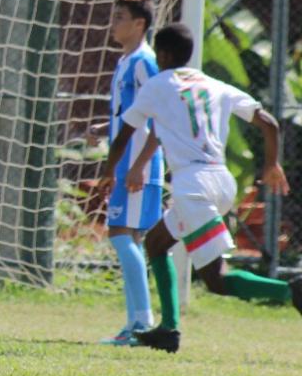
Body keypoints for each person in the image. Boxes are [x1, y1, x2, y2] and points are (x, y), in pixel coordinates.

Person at [97, 23, 300, 353]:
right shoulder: (215, 84)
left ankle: (290, 290)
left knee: (217, 280)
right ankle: (167, 329)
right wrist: (271, 164)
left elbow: (123, 136)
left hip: (192, 187)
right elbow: (269, 123)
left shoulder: (157, 85)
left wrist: (109, 172)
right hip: (221, 181)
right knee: (157, 243)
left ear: (163, 55)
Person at [86, 0, 164, 346]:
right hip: (126, 164)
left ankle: (142, 324)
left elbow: (161, 115)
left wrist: (139, 165)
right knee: (127, 237)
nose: (113, 23)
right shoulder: (125, 62)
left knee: (120, 234)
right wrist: (105, 129)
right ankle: (134, 323)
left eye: (120, 17)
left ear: (139, 24)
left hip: (136, 167)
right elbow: (134, 115)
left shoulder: (145, 62)